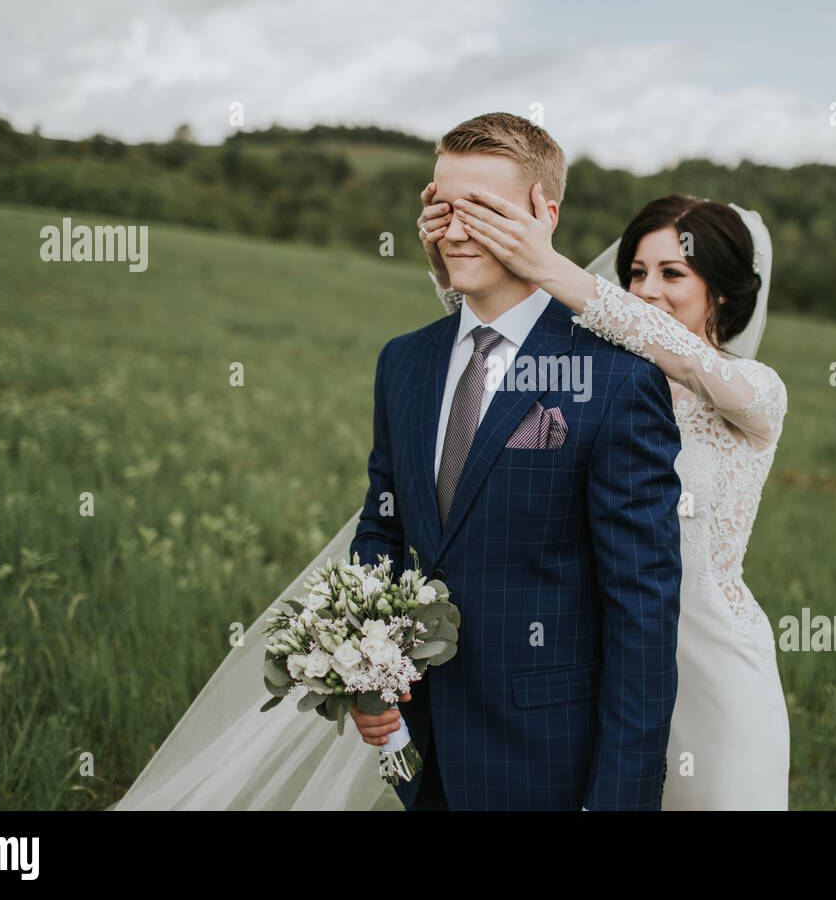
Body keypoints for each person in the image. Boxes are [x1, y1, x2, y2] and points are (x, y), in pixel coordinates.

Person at [113, 112, 685, 811]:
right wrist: (366, 675)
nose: (454, 227)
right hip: (414, 744)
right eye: (441, 204)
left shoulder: (619, 379)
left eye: (482, 207)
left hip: (548, 757)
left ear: (544, 214)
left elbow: (643, 611)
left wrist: (622, 798)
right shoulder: (405, 361)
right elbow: (384, 531)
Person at [407, 182, 790, 809]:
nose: (645, 289)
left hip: (715, 672)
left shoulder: (755, 393)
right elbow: (492, 342)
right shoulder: (595, 382)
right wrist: (448, 256)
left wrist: (546, 265)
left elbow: (689, 362)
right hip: (608, 662)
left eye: (672, 272)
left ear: (719, 291)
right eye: (636, 272)